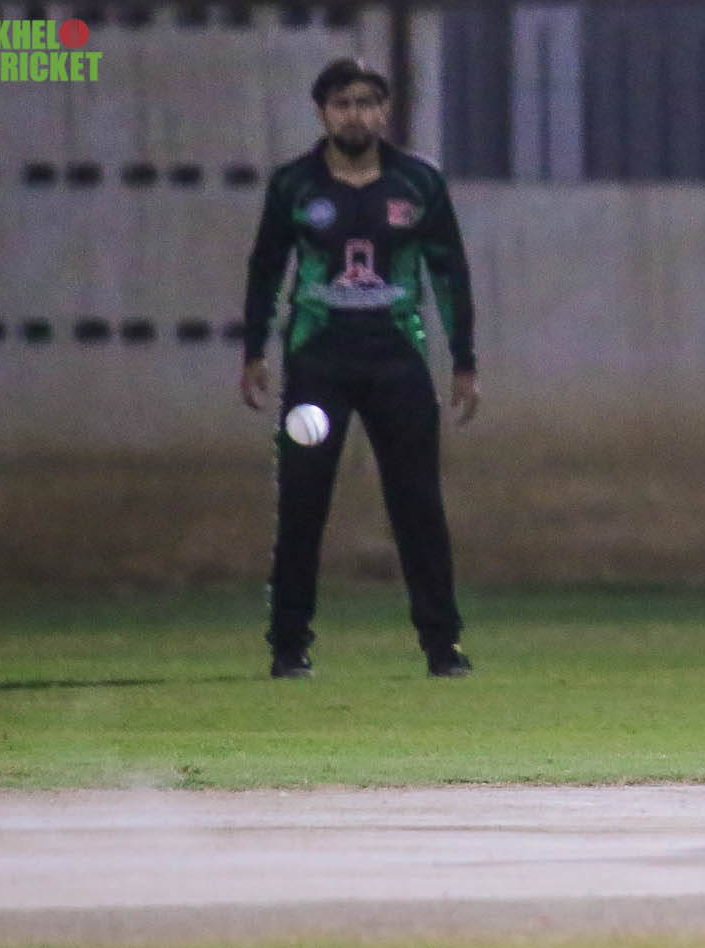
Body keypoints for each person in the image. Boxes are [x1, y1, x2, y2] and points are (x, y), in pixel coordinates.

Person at [240, 58, 480, 679]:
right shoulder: (295, 185)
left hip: (397, 357)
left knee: (418, 504)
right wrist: (253, 351)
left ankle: (442, 646)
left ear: (384, 111)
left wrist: (464, 360)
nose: (356, 114)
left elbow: (449, 271)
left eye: (367, 103)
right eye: (343, 104)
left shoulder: (418, 182)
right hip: (318, 358)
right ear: (323, 112)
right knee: (302, 504)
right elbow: (266, 267)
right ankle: (288, 646)